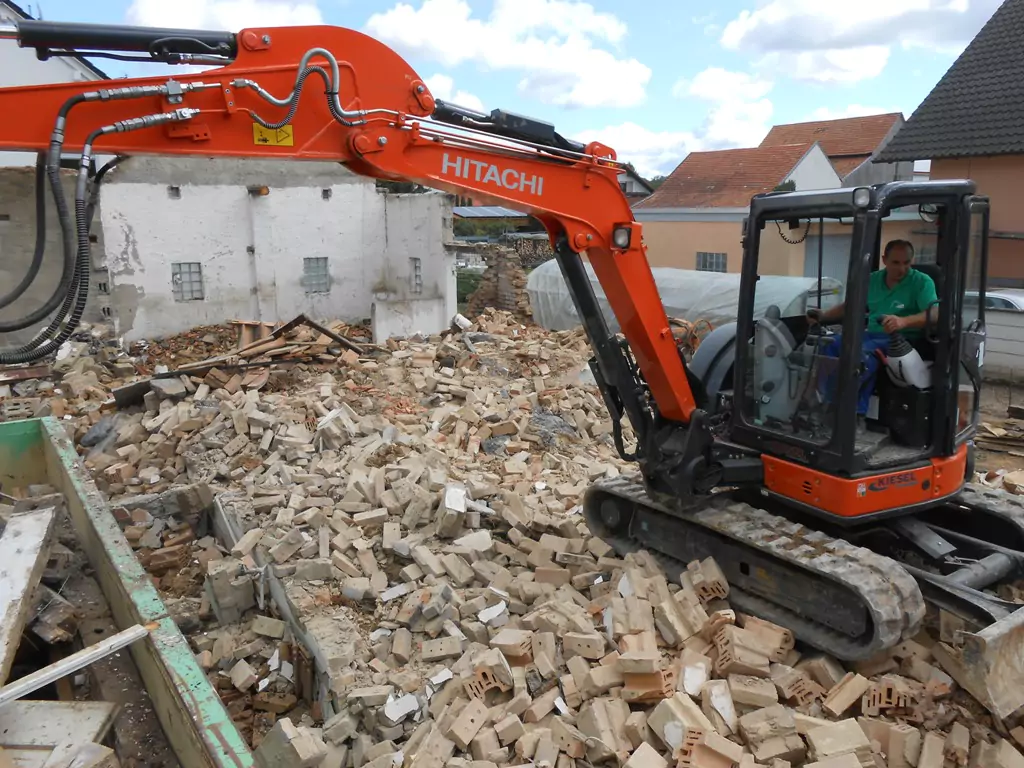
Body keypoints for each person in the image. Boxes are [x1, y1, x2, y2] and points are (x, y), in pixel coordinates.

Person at [807, 239, 938, 418]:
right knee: (830, 345)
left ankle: (853, 415)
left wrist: (903, 322)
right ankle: (824, 403)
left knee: (862, 356)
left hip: (902, 340)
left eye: (907, 263)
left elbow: (934, 314)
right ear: (884, 260)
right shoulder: (872, 280)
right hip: (871, 334)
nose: (902, 269)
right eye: (896, 263)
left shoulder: (922, 282)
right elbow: (850, 306)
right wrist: (823, 316)